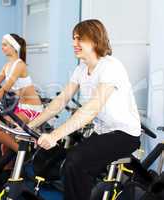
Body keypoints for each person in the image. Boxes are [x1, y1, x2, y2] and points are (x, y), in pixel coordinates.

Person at [28, 19, 141, 200]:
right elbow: (60, 100)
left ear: (95, 40)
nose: (74, 44)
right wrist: (30, 126)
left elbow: (92, 108)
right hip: (102, 132)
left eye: (80, 39)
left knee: (76, 161)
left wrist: (55, 135)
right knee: (69, 164)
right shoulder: (81, 69)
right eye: (74, 38)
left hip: (124, 134)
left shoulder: (111, 66)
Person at [0, 33, 43, 153]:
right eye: (2, 45)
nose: (2, 47)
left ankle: (24, 155)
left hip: (32, 110)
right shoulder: (7, 66)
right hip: (20, 108)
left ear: (14, 47)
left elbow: (4, 89)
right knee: (4, 146)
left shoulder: (19, 65)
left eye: (5, 45)